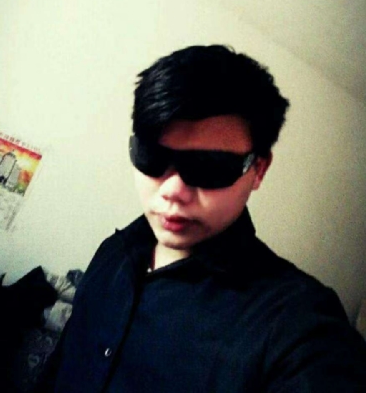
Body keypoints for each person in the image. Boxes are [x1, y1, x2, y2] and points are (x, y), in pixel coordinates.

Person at [38, 45, 366, 392]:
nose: (173, 190)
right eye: (152, 155)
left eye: (210, 166)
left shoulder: (295, 323)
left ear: (258, 169)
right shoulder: (114, 251)